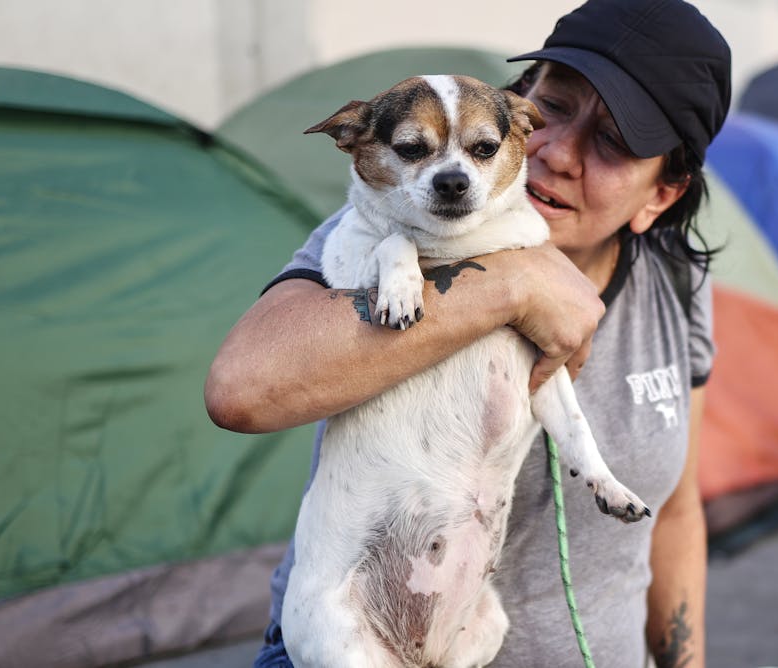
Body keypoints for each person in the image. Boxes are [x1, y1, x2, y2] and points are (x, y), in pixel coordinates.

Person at [204, 0, 731, 665]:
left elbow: (678, 511)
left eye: (614, 141)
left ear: (662, 194)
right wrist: (514, 284)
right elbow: (240, 391)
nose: (558, 151)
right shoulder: (391, 226)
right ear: (519, 104)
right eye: (557, 106)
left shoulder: (675, 285)